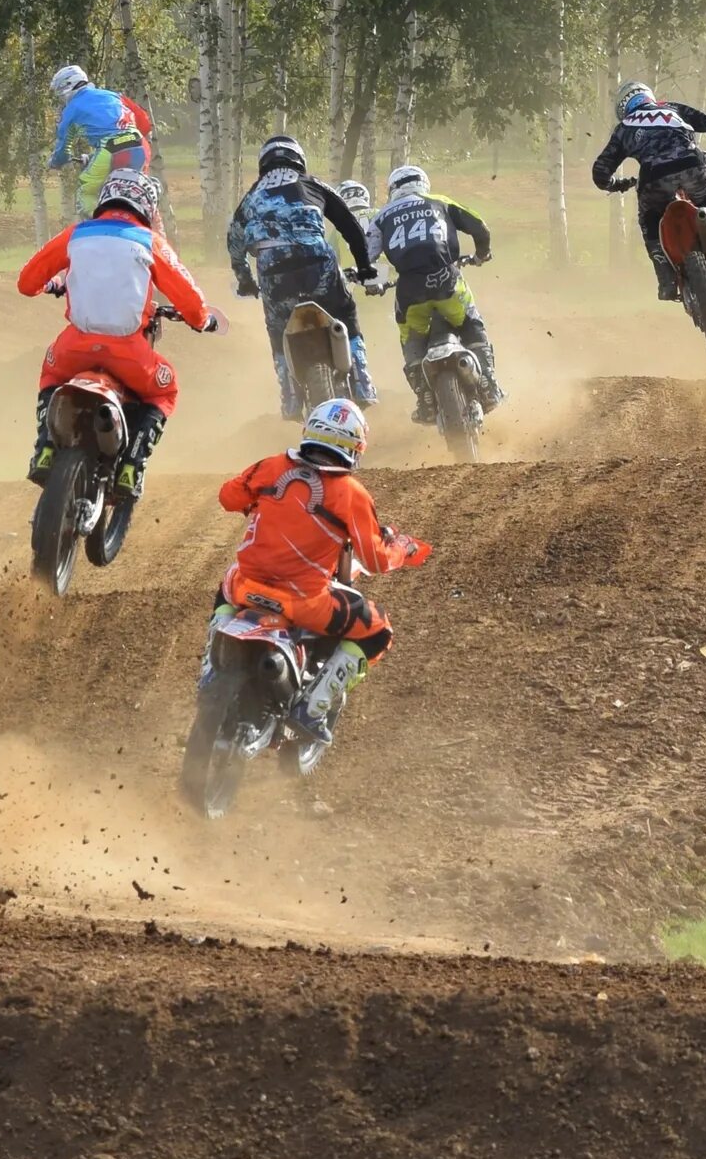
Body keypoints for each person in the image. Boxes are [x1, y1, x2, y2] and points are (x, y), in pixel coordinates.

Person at [214, 399, 431, 747]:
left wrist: (257, 503)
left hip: (245, 587)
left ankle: (212, 670)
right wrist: (401, 549)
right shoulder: (350, 493)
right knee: (378, 629)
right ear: (356, 447)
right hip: (304, 603)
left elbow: (227, 497)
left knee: (225, 585)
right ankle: (313, 709)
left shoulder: (272, 466)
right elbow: (374, 561)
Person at [13, 170, 226, 500]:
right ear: (147, 207)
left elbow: (26, 282)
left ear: (105, 199)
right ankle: (132, 466)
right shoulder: (149, 241)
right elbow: (190, 300)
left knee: (51, 373)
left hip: (75, 348)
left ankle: (44, 447)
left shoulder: (76, 234)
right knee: (165, 390)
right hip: (129, 353)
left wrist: (52, 284)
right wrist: (204, 321)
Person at [225, 135, 379, 415]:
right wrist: (365, 265)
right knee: (345, 312)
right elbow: (350, 225)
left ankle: (290, 397)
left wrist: (245, 280)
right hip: (317, 261)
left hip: (273, 270)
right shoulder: (311, 184)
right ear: (299, 160)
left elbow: (234, 244)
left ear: (264, 164)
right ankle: (362, 383)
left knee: (277, 330)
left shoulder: (251, 197)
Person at [366, 163, 504, 422]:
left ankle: (424, 398)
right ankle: (488, 383)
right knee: (472, 323)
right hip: (446, 281)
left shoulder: (382, 216)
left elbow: (366, 257)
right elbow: (480, 227)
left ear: (392, 190)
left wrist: (373, 283)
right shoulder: (439, 201)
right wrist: (481, 254)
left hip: (410, 292)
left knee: (411, 340)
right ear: (423, 183)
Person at [590, 82, 706, 299]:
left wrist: (618, 184)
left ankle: (667, 281)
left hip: (654, 178)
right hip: (694, 166)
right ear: (648, 96)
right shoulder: (672, 108)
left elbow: (600, 173)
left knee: (649, 222)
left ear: (623, 108)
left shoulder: (624, 128)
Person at [46, 63, 157, 217]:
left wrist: (56, 162)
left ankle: (98, 227)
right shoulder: (112, 95)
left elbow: (64, 148)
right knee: (140, 189)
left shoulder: (71, 109)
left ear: (66, 87)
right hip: (140, 146)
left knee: (86, 192)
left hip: (110, 149)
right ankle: (154, 227)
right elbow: (142, 122)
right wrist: (93, 157)